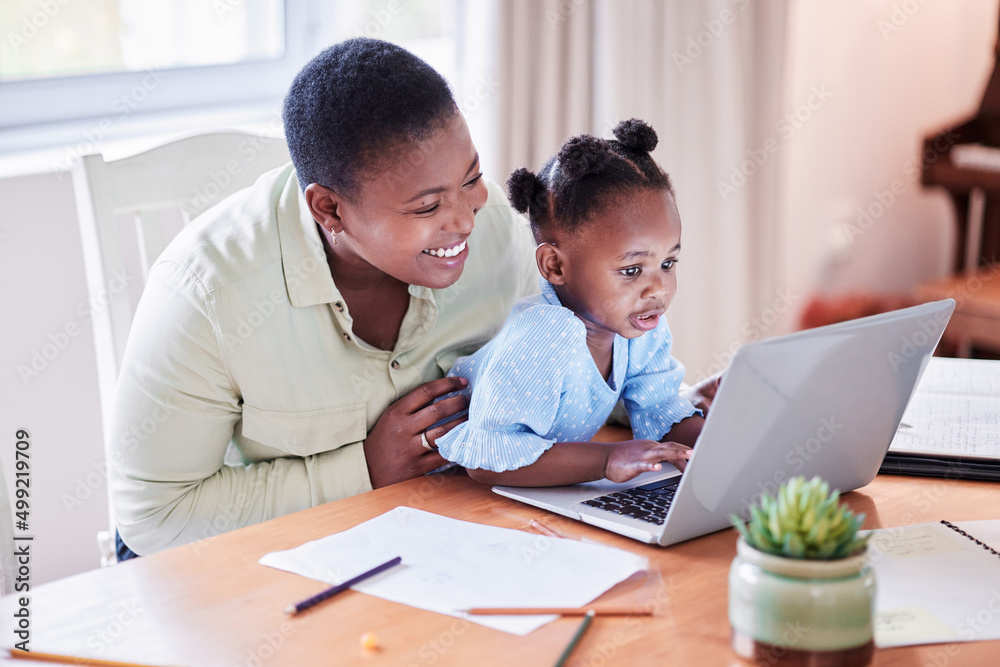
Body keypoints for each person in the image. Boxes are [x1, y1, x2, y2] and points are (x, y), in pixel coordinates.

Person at [109, 38, 540, 556]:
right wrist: (364, 470)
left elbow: (565, 360)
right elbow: (155, 519)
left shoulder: (498, 236)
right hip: (250, 559)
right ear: (330, 210)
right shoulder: (205, 294)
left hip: (435, 527)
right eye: (428, 207)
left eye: (470, 179)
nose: (466, 219)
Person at [436, 120, 705, 486]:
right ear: (555, 265)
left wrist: (712, 450)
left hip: (540, 489)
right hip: (450, 489)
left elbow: (660, 409)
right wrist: (608, 459)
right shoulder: (543, 336)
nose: (657, 288)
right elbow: (488, 461)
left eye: (667, 263)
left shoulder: (638, 325)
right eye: (631, 270)